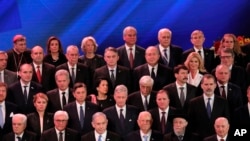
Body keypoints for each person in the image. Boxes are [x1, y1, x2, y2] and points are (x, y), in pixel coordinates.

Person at [188, 74, 230, 139]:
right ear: (201, 86)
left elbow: (227, 120)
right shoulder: (193, 103)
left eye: (211, 84)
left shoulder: (223, 102)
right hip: (199, 138)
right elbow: (191, 124)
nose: (209, 87)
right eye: (206, 84)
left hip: (217, 138)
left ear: (215, 85)